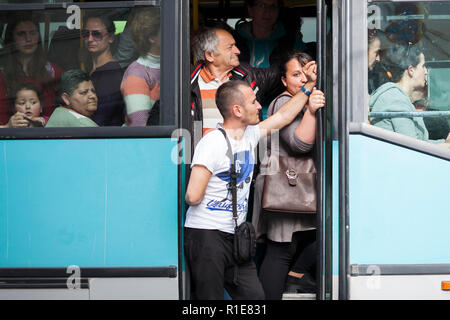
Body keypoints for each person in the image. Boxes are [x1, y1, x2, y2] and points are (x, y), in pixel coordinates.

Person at [184, 59, 324, 299]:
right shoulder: (212, 143)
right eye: (253, 102)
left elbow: (282, 117)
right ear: (237, 110)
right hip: (207, 237)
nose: (259, 105)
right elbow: (192, 195)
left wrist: (308, 86)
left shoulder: (249, 135)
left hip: (236, 236)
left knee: (255, 297)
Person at [251, 50, 325, 299]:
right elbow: (300, 144)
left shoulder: (306, 99)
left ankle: (297, 275)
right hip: (286, 185)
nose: (303, 80)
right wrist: (312, 112)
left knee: (296, 246)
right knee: (280, 252)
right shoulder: (284, 102)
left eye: (307, 73)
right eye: (296, 75)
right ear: (284, 81)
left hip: (295, 185)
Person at [190, 27, 283, 141]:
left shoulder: (248, 75)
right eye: (230, 47)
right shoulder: (188, 83)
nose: (238, 51)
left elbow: (279, 74)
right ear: (210, 55)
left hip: (242, 156)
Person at [369, 43, 450, 146]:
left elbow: (418, 141)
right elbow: (412, 147)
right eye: (423, 66)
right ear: (411, 70)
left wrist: (444, 143)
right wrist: (445, 146)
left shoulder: (399, 97)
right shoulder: (394, 98)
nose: (426, 72)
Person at [0, 13, 63, 126]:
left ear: (38, 36)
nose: (28, 39)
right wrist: (7, 126)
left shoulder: (53, 71)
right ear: (12, 38)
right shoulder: (1, 74)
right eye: (21, 34)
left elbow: (63, 117)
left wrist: (45, 123)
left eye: (32, 33)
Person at [81, 12, 125, 126]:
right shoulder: (91, 70)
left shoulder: (112, 74)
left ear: (110, 38)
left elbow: (100, 120)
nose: (90, 39)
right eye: (86, 33)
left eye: (97, 34)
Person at [120, 7, 161, 126]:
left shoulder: (173, 63)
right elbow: (139, 124)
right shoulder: (136, 73)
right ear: (152, 38)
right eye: (164, 31)